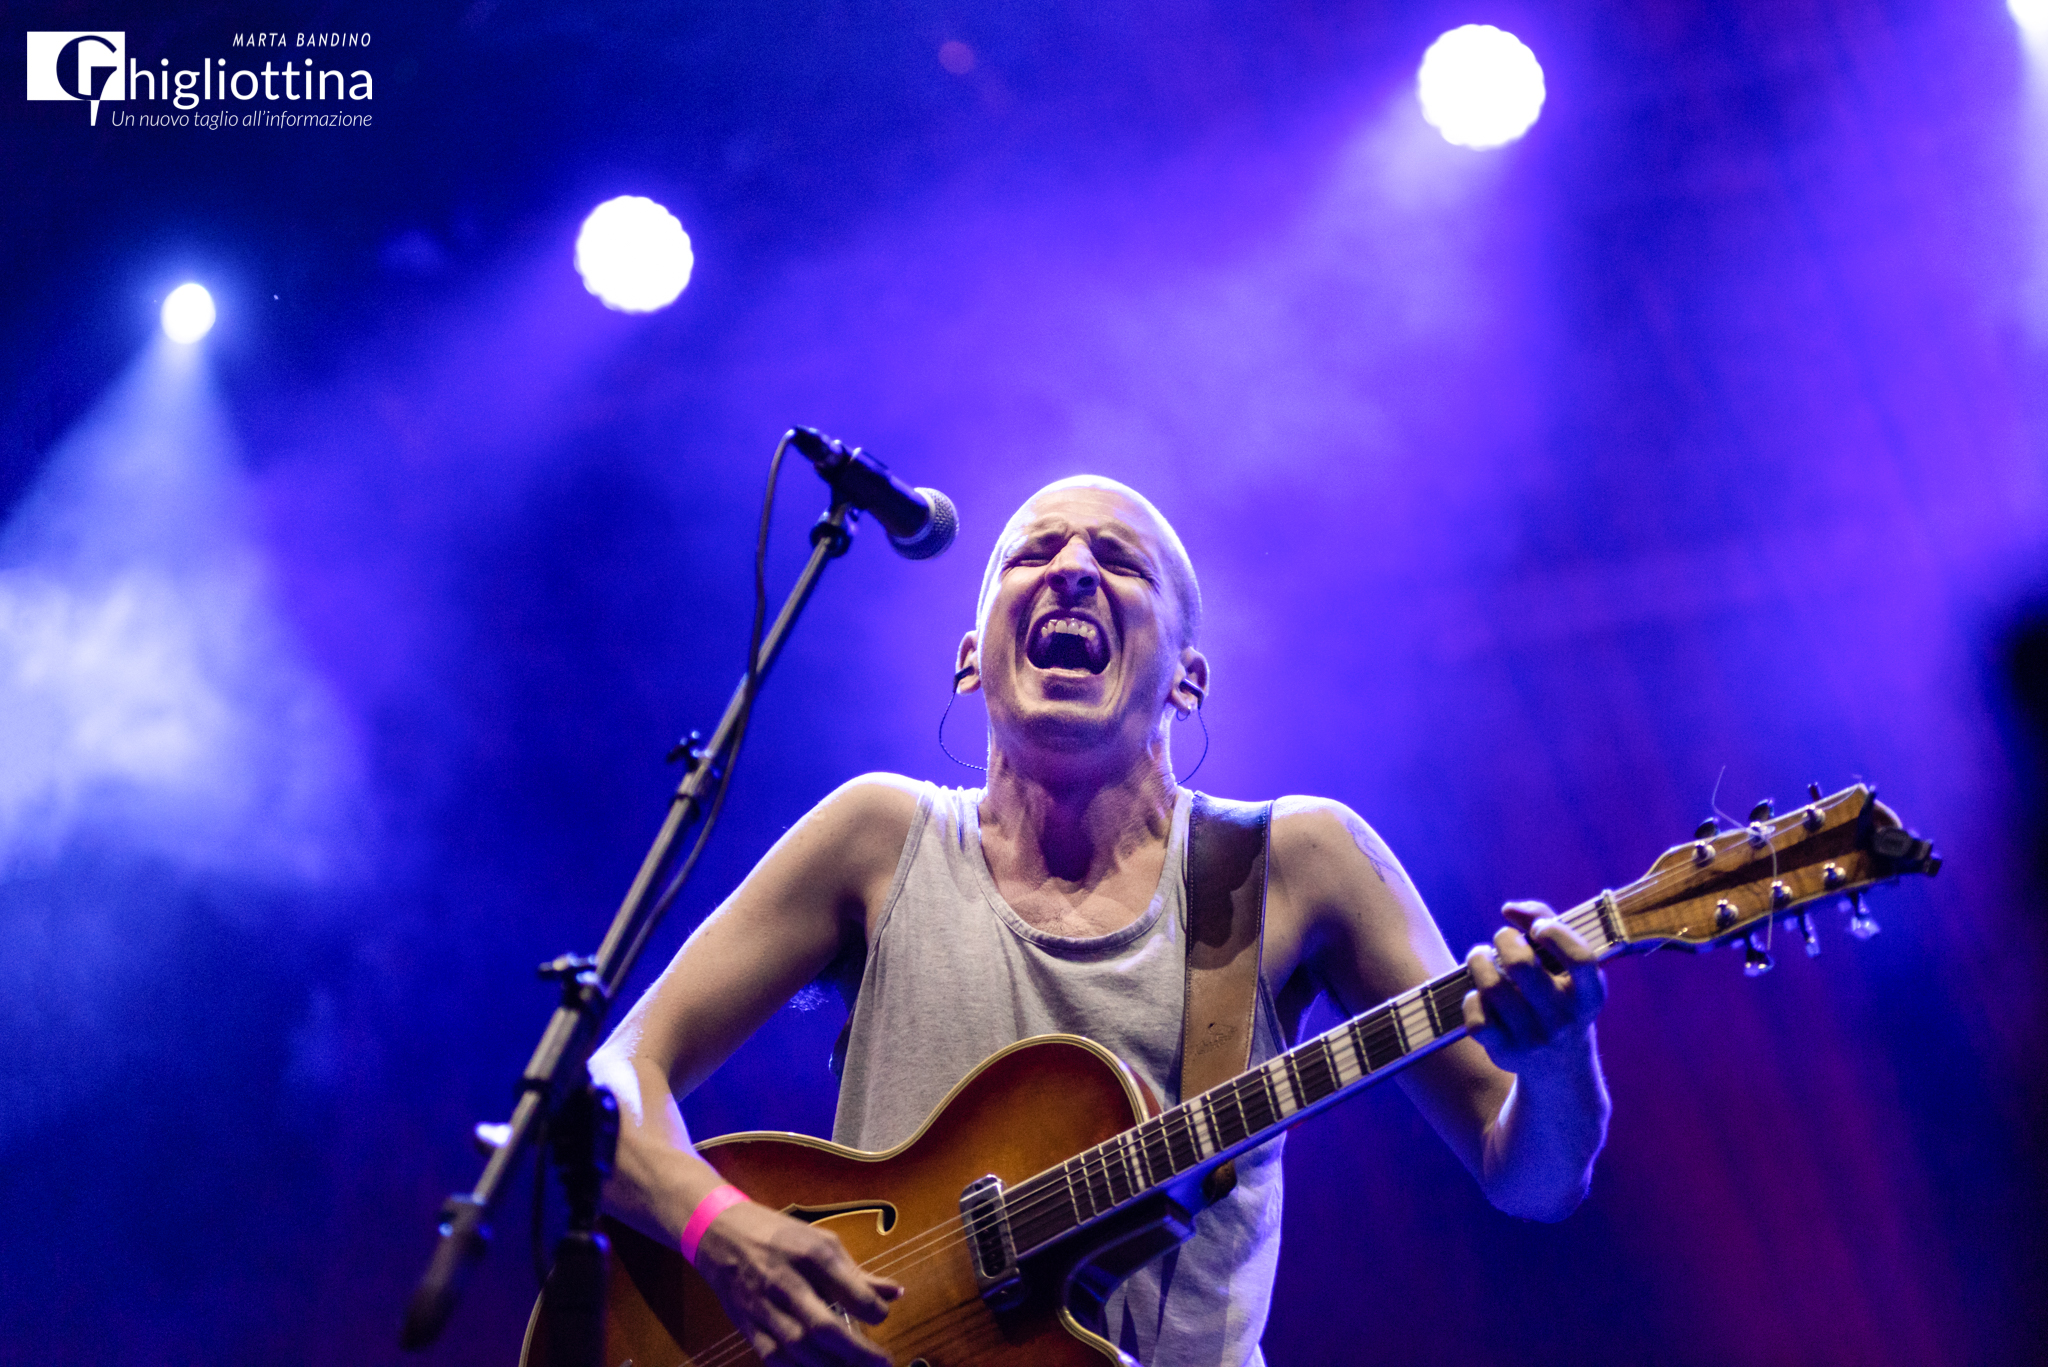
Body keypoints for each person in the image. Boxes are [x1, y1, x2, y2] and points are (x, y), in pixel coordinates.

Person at [590, 476, 1610, 1367]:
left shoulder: (1294, 860)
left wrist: (1560, 1058)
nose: (1072, 569)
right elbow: (610, 1082)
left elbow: (1531, 1178)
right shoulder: (877, 834)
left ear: (1187, 676)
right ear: (969, 659)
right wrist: (720, 1230)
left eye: (1119, 563)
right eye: (1031, 553)